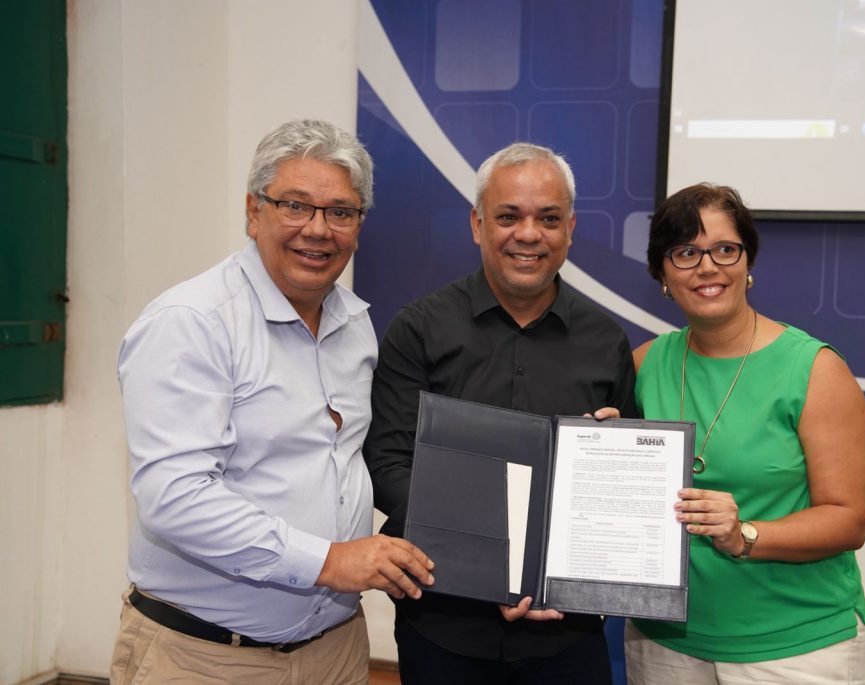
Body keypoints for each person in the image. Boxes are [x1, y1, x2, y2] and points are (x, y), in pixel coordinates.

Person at [110, 119, 434, 685]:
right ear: (253, 211)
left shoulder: (355, 325)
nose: (318, 229)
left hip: (336, 650)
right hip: (205, 659)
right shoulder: (192, 323)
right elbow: (175, 496)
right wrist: (329, 561)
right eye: (296, 205)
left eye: (340, 212)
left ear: (359, 225)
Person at [365, 142, 637, 685]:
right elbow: (389, 465)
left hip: (568, 633)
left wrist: (612, 459)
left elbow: (623, 492)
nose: (528, 234)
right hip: (443, 626)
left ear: (570, 229)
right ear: (477, 224)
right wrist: (492, 564)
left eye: (549, 219)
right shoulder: (419, 329)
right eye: (508, 216)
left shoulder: (606, 341)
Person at [625, 183, 865, 684]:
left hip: (794, 647)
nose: (707, 267)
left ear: (747, 262)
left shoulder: (813, 369)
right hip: (664, 642)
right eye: (686, 252)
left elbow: (849, 520)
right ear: (662, 274)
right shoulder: (644, 364)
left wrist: (744, 535)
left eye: (724, 249)